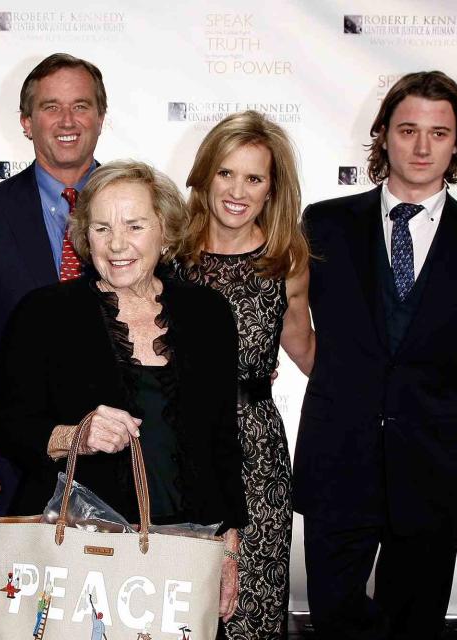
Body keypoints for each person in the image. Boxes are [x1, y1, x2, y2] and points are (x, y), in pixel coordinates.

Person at [294, 71, 457, 639]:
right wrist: (341, 383)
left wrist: (435, 401)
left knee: (414, 626)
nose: (422, 147)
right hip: (338, 457)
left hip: (431, 466)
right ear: (383, 135)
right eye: (408, 130)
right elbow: (294, 321)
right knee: (334, 621)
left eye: (439, 133)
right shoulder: (325, 225)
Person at [0, 160, 248, 624]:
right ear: (84, 237)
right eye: (102, 227)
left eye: (134, 225)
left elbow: (223, 442)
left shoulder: (208, 315)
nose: (117, 244)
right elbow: (11, 427)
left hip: (182, 553)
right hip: (80, 556)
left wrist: (227, 549)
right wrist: (76, 436)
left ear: (165, 231)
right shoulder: (44, 314)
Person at [0, 52, 108, 619]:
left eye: (81, 105)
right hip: (11, 454)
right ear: (26, 121)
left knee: (101, 613)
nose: (67, 119)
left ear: (100, 116)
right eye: (50, 107)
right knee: (12, 613)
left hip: (112, 453)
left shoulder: (140, 208)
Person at [173, 110, 314, 638]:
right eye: (225, 173)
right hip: (178, 451)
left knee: (250, 613)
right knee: (178, 607)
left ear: (272, 190)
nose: (237, 190)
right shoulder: (169, 253)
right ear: (205, 175)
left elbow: (303, 348)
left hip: (256, 459)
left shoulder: (286, 261)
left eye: (254, 178)